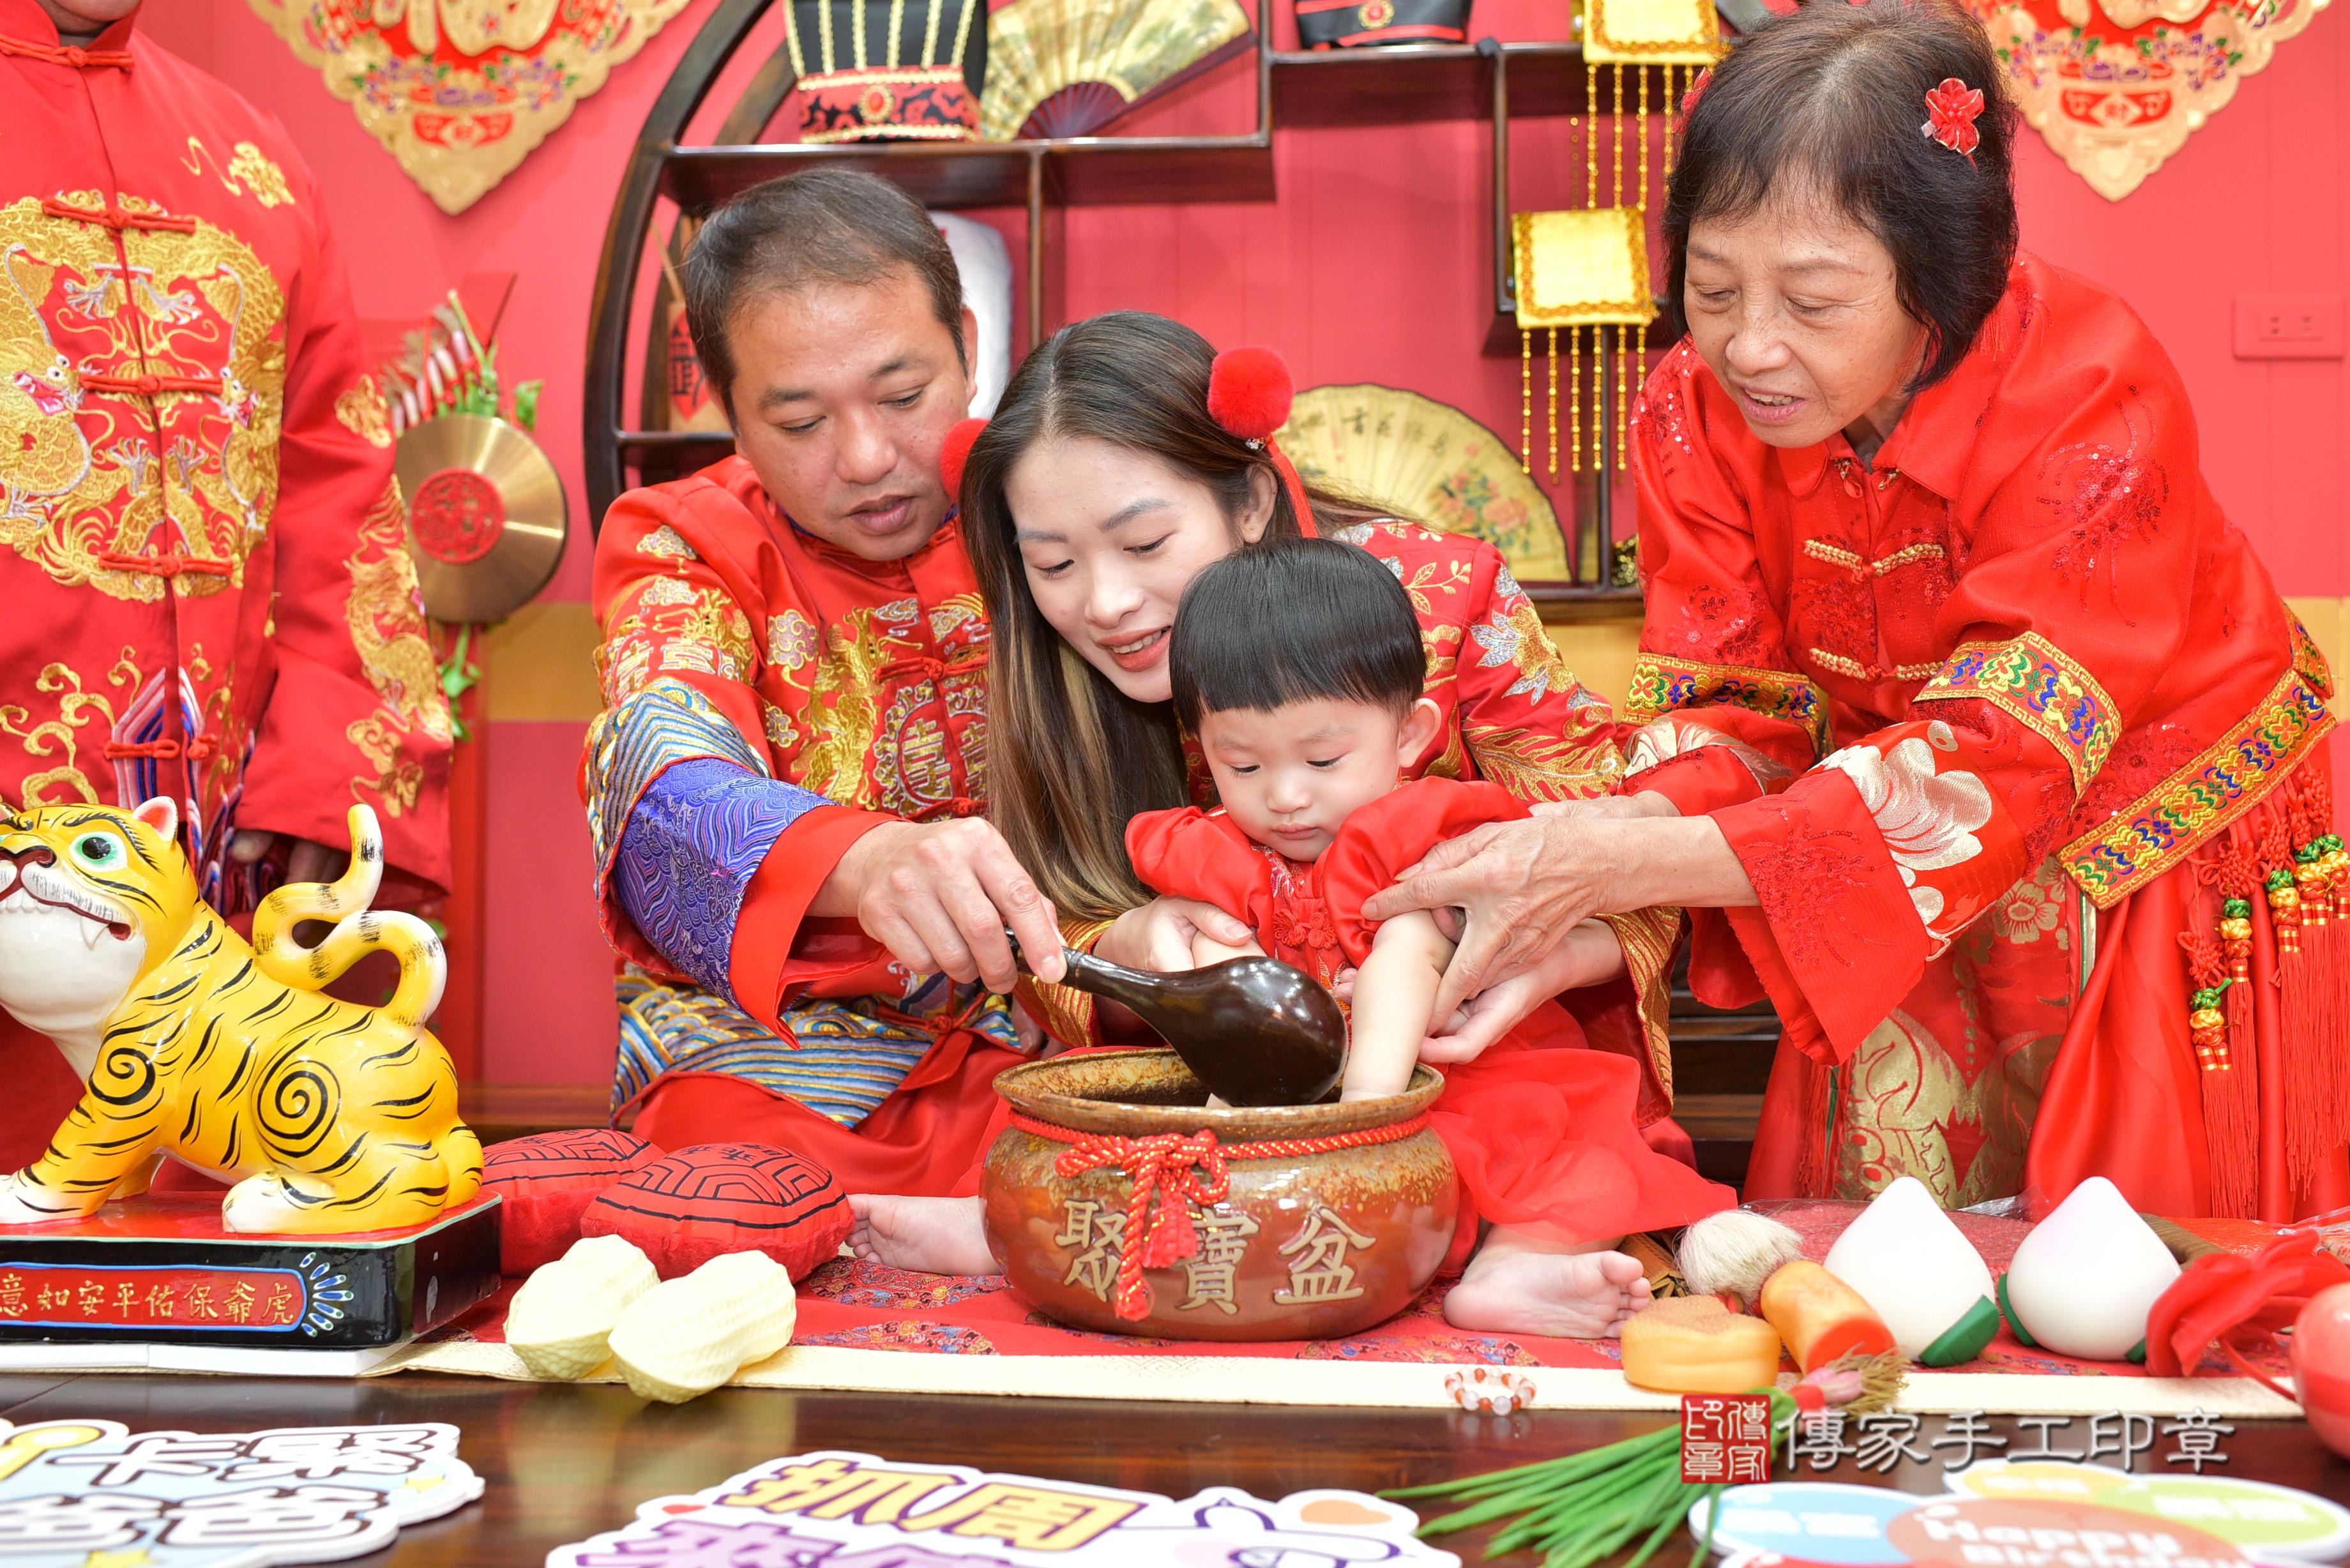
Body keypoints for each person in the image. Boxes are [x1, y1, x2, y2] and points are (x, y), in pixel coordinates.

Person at [1359, 0, 2348, 1222]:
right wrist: (1604, 904)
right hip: (1879, 828)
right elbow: (1726, 705)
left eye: (1814, 303)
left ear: (1945, 278)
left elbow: (2012, 752)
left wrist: (1627, 865)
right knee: (1883, 1246)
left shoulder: (2091, 386)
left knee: (2124, 1263)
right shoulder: (1692, 403)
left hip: (2141, 814)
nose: (1749, 348)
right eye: (1711, 288)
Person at [849, 313, 1694, 1323]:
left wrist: (1534, 949)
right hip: (1218, 1077)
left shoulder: (1439, 598)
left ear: (1248, 501)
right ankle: (1003, 1221)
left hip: (1470, 1059)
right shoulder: (1046, 673)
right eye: (1056, 565)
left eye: (1146, 541)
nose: (1108, 603)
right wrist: (1130, 942)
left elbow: (1632, 848)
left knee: (1548, 1127)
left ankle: (1512, 1255)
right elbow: (1049, 929)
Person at [1, 0, 451, 1165]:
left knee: (179, 1279)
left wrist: (328, 773)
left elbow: (339, 491)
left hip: (202, 880)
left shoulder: (252, 159)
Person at [588, 169, 1069, 1196]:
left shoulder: (1068, 494)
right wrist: (866, 861)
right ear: (729, 413)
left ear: (971, 348)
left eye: (904, 397)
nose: (865, 458)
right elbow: (671, 782)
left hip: (1071, 1016)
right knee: (720, 1182)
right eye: (801, 423)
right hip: (794, 1055)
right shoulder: (688, 542)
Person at [1128, 540, 1732, 1334]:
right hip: (1261, 1109)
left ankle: (1514, 1270)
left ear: (1410, 734)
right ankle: (997, 1220)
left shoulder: (1419, 835)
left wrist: (1362, 1118)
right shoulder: (1212, 850)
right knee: (1116, 1133)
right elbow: (1223, 984)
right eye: (1240, 765)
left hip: (1452, 1092)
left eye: (1321, 757)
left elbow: (1407, 955)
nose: (1283, 795)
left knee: (1585, 1159)